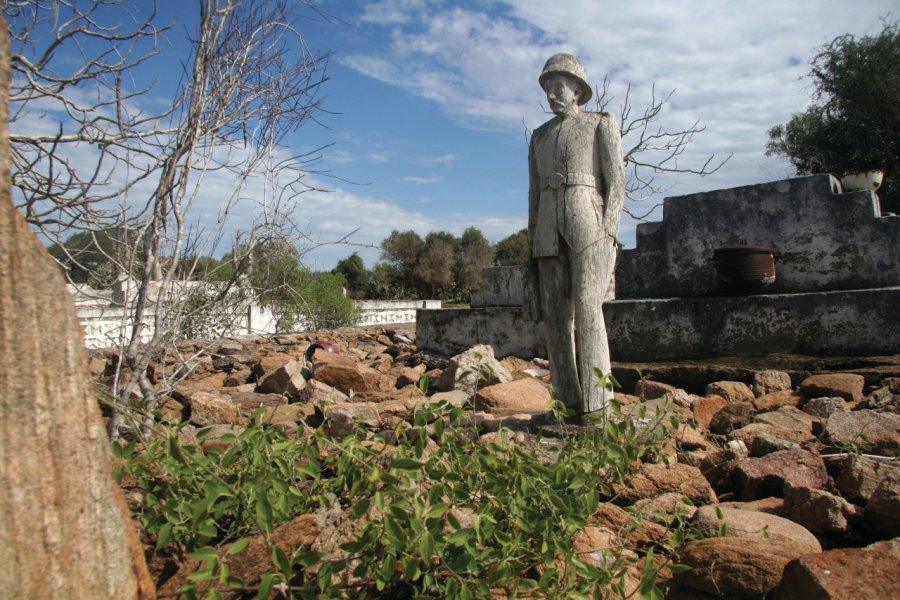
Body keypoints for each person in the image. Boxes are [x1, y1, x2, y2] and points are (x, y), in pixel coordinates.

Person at [528, 53, 625, 415]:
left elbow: (616, 183)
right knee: (555, 317)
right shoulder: (539, 136)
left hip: (590, 224)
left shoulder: (600, 123)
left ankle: (599, 406)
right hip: (547, 231)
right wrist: (531, 243)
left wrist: (609, 231)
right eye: (547, 87)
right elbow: (533, 195)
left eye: (558, 86)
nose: (552, 94)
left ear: (577, 90)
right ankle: (566, 402)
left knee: (588, 309)